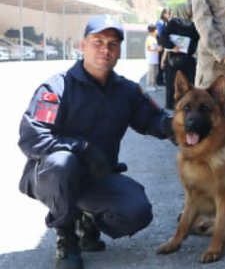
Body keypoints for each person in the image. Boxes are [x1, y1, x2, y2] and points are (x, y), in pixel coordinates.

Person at [17, 15, 174, 269]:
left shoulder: (127, 91)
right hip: (49, 176)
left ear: (119, 50)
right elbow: (32, 137)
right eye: (98, 41)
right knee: (62, 162)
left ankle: (89, 217)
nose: (105, 49)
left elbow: (153, 119)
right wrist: (81, 148)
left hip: (96, 176)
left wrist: (173, 126)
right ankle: (66, 235)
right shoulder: (56, 88)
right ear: (83, 45)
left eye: (113, 43)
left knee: (137, 211)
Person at [159, 2, 199, 110]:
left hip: (180, 60)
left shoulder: (182, 24)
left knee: (179, 84)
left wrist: (177, 47)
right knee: (180, 84)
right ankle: (180, 107)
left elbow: (163, 37)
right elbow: (163, 37)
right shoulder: (182, 24)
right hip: (180, 60)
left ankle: (178, 107)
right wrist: (176, 47)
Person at [155, 8, 171, 87]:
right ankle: (159, 80)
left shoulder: (165, 22)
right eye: (168, 13)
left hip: (163, 44)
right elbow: (160, 34)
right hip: (161, 44)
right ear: (164, 14)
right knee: (161, 62)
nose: (169, 15)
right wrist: (160, 44)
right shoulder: (160, 23)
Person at [144, 24, 160, 91]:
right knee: (151, 73)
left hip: (155, 59)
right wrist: (157, 49)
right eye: (156, 30)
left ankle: (154, 85)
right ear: (153, 31)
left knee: (155, 72)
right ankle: (150, 86)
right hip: (151, 59)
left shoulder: (154, 38)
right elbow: (148, 48)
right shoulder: (149, 38)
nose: (157, 31)